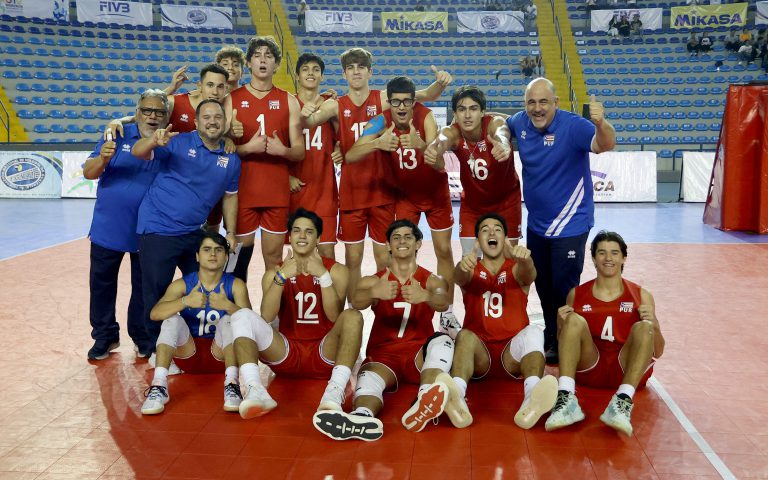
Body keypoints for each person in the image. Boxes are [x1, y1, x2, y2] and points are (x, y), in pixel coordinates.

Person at [301, 48, 452, 292]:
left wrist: (441, 83)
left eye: (361, 67)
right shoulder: (334, 105)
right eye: (351, 68)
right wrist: (307, 110)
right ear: (344, 74)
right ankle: (353, 307)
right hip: (352, 191)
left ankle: (385, 306)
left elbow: (426, 95)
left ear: (370, 72)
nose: (356, 71)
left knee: (384, 257)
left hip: (382, 191)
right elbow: (307, 123)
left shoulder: (384, 99)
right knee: (353, 258)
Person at [506, 78, 616, 364]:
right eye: (531, 102)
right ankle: (553, 334)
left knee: (564, 287)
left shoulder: (573, 126)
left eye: (544, 102)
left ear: (556, 102)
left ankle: (568, 339)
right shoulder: (520, 122)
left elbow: (605, 144)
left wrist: (601, 123)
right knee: (542, 284)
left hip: (570, 223)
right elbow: (501, 123)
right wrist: (496, 134)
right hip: (537, 224)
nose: (537, 108)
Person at [312, 220, 451, 441]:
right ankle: (362, 416)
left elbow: (444, 302)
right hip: (384, 355)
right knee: (368, 381)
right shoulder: (374, 280)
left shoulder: (432, 281)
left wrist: (425, 296)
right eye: (396, 237)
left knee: (443, 341)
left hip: (418, 355)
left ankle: (424, 398)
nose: (402, 241)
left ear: (418, 244)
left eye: (408, 237)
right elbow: (356, 302)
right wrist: (374, 292)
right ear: (387, 245)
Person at [346, 75, 457, 336]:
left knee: (443, 250)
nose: (402, 107)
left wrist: (422, 146)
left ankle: (447, 313)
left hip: (435, 194)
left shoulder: (425, 117)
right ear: (390, 102)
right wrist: (377, 143)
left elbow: (440, 164)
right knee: (399, 252)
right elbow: (350, 155)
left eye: (407, 101)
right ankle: (393, 308)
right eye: (396, 102)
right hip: (406, 197)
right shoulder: (380, 121)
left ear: (413, 101)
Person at [228, 208, 363, 419]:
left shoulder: (337, 271)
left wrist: (323, 275)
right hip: (286, 354)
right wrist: (282, 276)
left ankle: (334, 393)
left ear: (318, 238)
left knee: (353, 316)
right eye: (297, 230)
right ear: (289, 237)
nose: (302, 236)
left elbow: (335, 316)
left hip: (324, 354)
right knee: (241, 315)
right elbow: (267, 316)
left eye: (309, 231)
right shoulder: (274, 273)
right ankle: (256, 390)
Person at [131, 99, 241, 352]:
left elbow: (230, 196)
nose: (212, 122)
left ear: (225, 123)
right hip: (158, 228)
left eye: (217, 117)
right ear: (196, 122)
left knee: (206, 283)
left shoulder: (231, 158)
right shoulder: (178, 142)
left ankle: (197, 340)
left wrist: (231, 232)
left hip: (193, 232)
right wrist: (152, 141)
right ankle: (152, 347)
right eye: (206, 117)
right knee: (156, 290)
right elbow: (138, 152)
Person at [545, 231, 665, 436]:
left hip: (625, 367)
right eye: (602, 252)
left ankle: (622, 401)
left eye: (614, 253)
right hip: (590, 367)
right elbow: (565, 343)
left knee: (644, 327)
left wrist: (654, 324)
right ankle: (566, 398)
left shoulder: (641, 295)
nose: (608, 258)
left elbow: (659, 351)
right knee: (572, 320)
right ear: (593, 258)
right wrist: (560, 324)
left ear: (624, 257)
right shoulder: (577, 294)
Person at [446, 213, 558, 430]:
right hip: (479, 356)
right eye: (485, 229)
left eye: (497, 229)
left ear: (506, 239)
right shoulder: (470, 268)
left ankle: (532, 398)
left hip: (512, 355)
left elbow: (529, 274)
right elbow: (458, 277)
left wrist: (526, 260)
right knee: (464, 335)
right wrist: (462, 265)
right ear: (478, 241)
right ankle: (456, 396)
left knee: (535, 331)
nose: (491, 232)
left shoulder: (516, 268)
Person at [83, 89, 168, 360]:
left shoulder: (168, 142)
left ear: (166, 116)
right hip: (109, 227)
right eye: (147, 110)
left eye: (159, 112)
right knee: (101, 285)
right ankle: (105, 336)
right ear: (137, 112)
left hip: (149, 231)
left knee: (143, 288)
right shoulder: (116, 134)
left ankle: (142, 336)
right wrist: (103, 158)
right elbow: (88, 173)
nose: (152, 116)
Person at [140, 232, 249, 415]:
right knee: (172, 319)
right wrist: (185, 302)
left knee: (229, 319)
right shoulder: (183, 285)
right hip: (187, 356)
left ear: (226, 256)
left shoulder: (236, 285)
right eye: (207, 249)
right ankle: (159, 386)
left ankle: (232, 384)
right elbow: (155, 314)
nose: (212, 254)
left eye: (218, 250)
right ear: (197, 256)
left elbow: (251, 323)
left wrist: (228, 306)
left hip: (221, 357)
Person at [230, 36, 305, 280]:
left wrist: (282, 151)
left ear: (277, 64)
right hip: (241, 189)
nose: (262, 60)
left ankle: (271, 305)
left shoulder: (289, 100)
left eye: (268, 56)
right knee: (237, 259)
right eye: (257, 55)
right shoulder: (231, 99)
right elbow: (222, 150)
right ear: (248, 63)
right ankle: (236, 303)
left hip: (275, 190)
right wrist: (247, 148)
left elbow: (299, 151)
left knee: (274, 259)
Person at [424, 86, 518, 258]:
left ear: (482, 112)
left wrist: (504, 144)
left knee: (508, 260)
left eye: (473, 109)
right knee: (469, 260)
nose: (467, 115)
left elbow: (502, 132)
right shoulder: (453, 132)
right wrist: (434, 149)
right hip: (473, 206)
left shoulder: (494, 123)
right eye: (462, 109)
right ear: (455, 113)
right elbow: (442, 139)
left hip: (506, 203)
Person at [290, 53, 340, 260]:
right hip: (295, 190)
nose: (310, 73)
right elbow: (277, 144)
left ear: (322, 76)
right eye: (305, 69)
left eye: (316, 70)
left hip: (324, 191)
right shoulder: (289, 104)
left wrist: (340, 147)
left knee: (327, 253)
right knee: (296, 253)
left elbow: (344, 137)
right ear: (297, 75)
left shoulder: (332, 105)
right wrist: (286, 176)